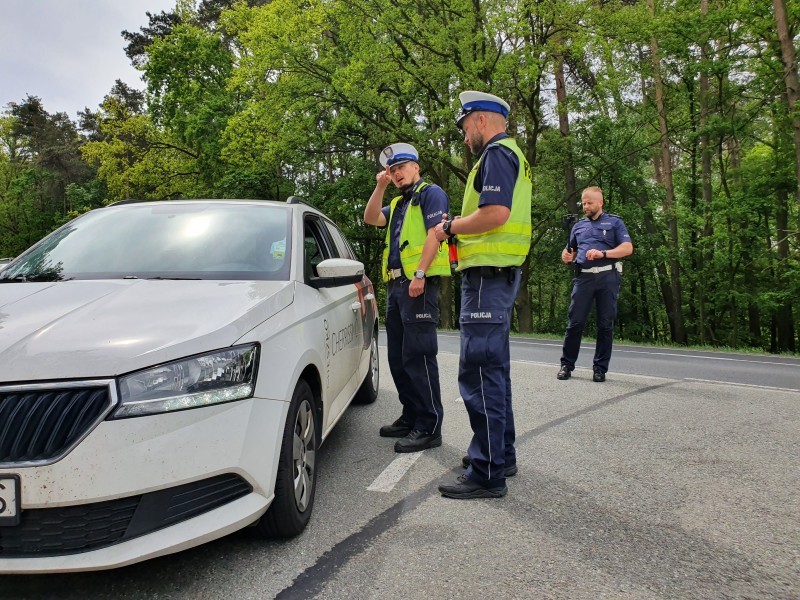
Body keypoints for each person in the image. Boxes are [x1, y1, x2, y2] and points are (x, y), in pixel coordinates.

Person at [433, 91, 532, 499]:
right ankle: (500, 455)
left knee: (479, 371)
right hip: (497, 277)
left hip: (487, 281)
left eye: (464, 125)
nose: (464, 134)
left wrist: (452, 227)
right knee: (495, 370)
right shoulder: (513, 156)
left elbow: (495, 214)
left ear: (481, 120)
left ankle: (487, 471)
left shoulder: (496, 155)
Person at [363, 142, 451, 452]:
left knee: (419, 357)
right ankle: (411, 415)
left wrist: (420, 274)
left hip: (418, 286)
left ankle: (429, 426)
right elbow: (371, 217)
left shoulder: (431, 194)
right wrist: (381, 187)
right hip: (397, 288)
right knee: (398, 359)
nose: (397, 173)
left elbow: (435, 233)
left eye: (401, 167)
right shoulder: (400, 203)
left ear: (416, 166)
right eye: (392, 170)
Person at [557, 186, 633, 382]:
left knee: (605, 324)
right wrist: (566, 256)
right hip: (583, 278)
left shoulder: (615, 222)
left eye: (590, 203)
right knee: (575, 323)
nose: (586, 206)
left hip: (608, 277)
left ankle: (600, 369)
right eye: (583, 203)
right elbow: (569, 251)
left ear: (601, 202)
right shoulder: (578, 226)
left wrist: (604, 254)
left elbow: (627, 248)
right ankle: (566, 365)